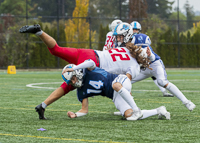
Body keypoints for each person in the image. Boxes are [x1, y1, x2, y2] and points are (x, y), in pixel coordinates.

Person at [19, 23, 147, 119]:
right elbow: (125, 82)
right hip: (94, 61)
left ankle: (39, 32)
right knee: (71, 83)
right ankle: (43, 105)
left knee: (56, 50)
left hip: (89, 52)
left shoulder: (126, 49)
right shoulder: (134, 65)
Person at [113, 21, 195, 112]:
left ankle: (187, 102)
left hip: (153, 64)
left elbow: (150, 57)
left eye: (120, 36)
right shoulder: (120, 46)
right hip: (141, 68)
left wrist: (149, 55)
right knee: (124, 83)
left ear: (127, 35)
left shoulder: (140, 39)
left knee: (162, 81)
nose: (118, 39)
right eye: (117, 37)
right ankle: (127, 109)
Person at [62, 63, 170, 120]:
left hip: (119, 80)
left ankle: (136, 110)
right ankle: (159, 110)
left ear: (76, 72)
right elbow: (84, 110)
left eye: (73, 78)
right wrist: (75, 115)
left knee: (116, 85)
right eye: (70, 82)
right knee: (129, 116)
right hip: (115, 95)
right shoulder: (81, 91)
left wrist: (75, 67)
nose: (73, 82)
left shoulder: (88, 69)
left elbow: (90, 62)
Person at [129, 21, 173, 97]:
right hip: (141, 64)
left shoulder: (140, 38)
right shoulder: (129, 40)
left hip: (149, 62)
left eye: (136, 29)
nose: (134, 31)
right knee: (129, 78)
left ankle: (165, 91)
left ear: (139, 30)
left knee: (160, 79)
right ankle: (126, 93)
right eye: (133, 29)